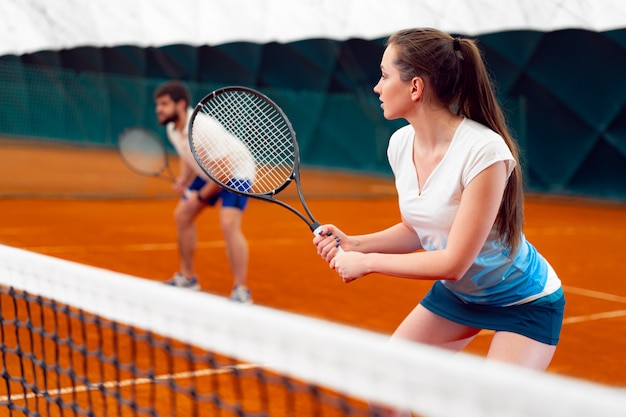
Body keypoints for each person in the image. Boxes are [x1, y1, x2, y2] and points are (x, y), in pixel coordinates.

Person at [313, 28, 565, 416]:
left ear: (415, 87)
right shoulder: (400, 143)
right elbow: (418, 228)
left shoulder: (484, 151)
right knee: (384, 389)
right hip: (459, 296)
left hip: (525, 302)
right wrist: (355, 243)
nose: (377, 87)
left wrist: (367, 264)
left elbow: (453, 262)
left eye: (384, 75)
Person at [154, 80, 252, 303]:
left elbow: (225, 172)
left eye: (164, 104)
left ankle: (241, 289)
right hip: (209, 171)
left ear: (180, 105)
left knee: (228, 223)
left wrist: (198, 195)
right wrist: (184, 179)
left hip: (236, 172)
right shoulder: (172, 128)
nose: (158, 109)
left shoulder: (202, 128)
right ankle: (187, 278)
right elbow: (188, 155)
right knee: (182, 215)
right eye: (157, 104)